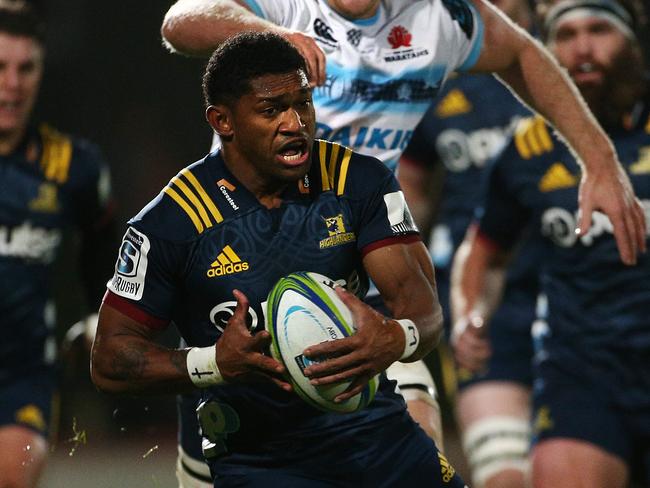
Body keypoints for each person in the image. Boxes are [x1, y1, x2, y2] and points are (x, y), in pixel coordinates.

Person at [160, 1, 646, 483]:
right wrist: (268, 37)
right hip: (243, 280)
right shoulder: (288, 7)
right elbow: (181, 21)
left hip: (357, 273)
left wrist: (599, 161)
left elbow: (522, 53)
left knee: (414, 436)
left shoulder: (440, 17)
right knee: (220, 464)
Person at [90, 31, 469, 487]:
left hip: (378, 439)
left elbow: (424, 310)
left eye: (303, 103)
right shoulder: (172, 223)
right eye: (271, 110)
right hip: (263, 462)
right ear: (223, 121)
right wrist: (214, 363)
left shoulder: (358, 181)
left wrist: (397, 336)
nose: (296, 123)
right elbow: (110, 360)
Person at [451, 0, 650, 486]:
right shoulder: (528, 148)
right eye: (565, 35)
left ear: (633, 41)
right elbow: (484, 253)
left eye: (599, 30)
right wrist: (469, 313)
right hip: (582, 370)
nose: (582, 49)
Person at [397, 1, 538, 486]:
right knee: (504, 473)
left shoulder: (559, 67)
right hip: (478, 289)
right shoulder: (435, 79)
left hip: (577, 286)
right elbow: (408, 184)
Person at [0, 2, 116, 487]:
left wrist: (97, 313)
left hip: (21, 372)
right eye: (0, 67)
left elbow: (103, 244)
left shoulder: (75, 166)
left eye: (26, 68)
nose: (13, 83)